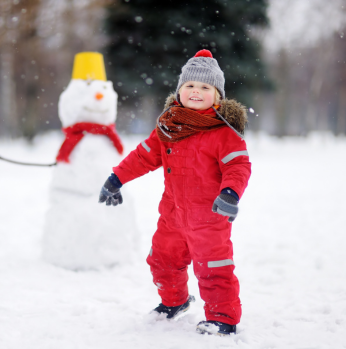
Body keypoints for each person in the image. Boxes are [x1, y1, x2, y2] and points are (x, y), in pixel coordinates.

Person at [98, 49, 251, 336]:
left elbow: (238, 166)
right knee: (162, 260)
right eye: (190, 85)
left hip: (209, 215)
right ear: (179, 91)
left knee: (213, 267)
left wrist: (230, 193)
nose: (196, 91)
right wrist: (116, 178)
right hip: (172, 213)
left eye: (205, 87)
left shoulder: (224, 132)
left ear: (217, 96)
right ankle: (174, 303)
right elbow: (144, 156)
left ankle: (223, 318)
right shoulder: (169, 127)